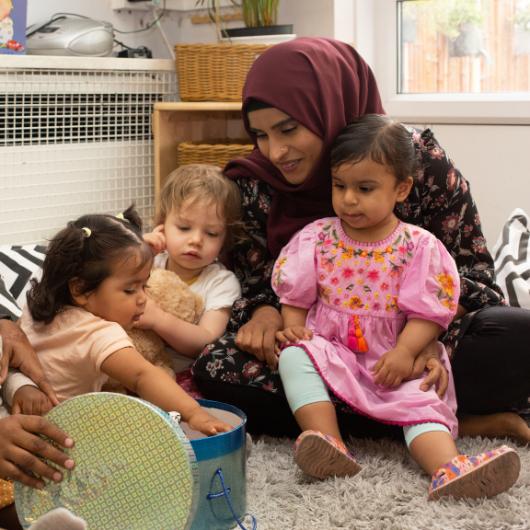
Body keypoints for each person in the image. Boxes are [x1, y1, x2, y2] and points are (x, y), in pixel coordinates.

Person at [191, 36, 530, 442]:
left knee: (513, 334)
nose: (275, 152)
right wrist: (264, 312)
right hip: (318, 347)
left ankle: (374, 415)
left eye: (288, 129)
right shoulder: (253, 184)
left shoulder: (417, 162)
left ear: (329, 106)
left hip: (412, 346)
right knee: (214, 365)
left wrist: (419, 341)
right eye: (260, 135)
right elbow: (249, 284)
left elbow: (476, 278)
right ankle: (434, 420)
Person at [271, 114, 520, 500]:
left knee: (421, 400)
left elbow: (429, 311)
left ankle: (449, 468)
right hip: (334, 350)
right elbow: (296, 294)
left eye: (365, 188)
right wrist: (294, 328)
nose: (349, 199)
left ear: (401, 189)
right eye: (340, 186)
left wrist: (406, 351)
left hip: (396, 355)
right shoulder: (316, 238)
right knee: (293, 357)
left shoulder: (417, 246)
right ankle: (328, 442)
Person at [15, 206, 231, 438]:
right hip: (58, 437)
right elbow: (142, 376)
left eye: (144, 286)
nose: (142, 299)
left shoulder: (32, 310)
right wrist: (194, 413)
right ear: (79, 289)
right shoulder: (98, 333)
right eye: (130, 290)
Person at [139, 164, 242, 373]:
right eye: (184, 228)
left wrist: (159, 320)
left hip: (179, 373)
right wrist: (139, 251)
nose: (196, 240)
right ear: (162, 225)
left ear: (225, 239)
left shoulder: (221, 282)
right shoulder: (153, 260)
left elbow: (206, 341)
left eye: (212, 233)